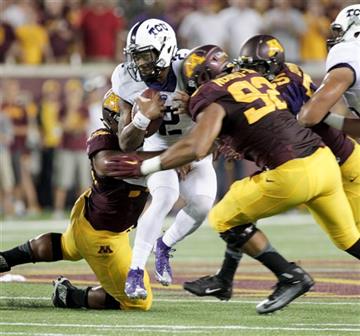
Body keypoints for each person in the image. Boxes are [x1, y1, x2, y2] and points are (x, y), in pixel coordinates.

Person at [113, 44, 360, 314]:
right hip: (324, 162)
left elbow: (196, 147)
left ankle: (289, 275)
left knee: (223, 218)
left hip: (292, 173)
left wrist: (146, 167)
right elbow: (257, 118)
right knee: (348, 239)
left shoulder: (209, 93)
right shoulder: (254, 78)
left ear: (202, 78)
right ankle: (224, 279)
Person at [182, 34, 360, 306]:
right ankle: (225, 279)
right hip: (319, 161)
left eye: (259, 68)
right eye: (248, 66)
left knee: (352, 237)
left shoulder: (280, 84)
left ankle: (249, 278)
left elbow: (275, 123)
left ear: (275, 65)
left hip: (339, 162)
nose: (252, 73)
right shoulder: (276, 78)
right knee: (240, 209)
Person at [0, 90, 156, 311]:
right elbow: (108, 164)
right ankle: (70, 297)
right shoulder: (104, 138)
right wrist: (169, 159)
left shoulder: (145, 141)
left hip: (92, 215)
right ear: (114, 118)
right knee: (138, 301)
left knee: (67, 246)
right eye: (133, 116)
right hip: (102, 233)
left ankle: (4, 258)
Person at [111, 19, 217, 300]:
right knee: (164, 197)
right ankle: (135, 272)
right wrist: (143, 117)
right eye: (135, 56)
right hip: (159, 145)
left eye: (144, 55)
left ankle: (165, 245)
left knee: (203, 204)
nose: (138, 63)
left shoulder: (191, 66)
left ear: (165, 50)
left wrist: (194, 106)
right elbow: (126, 142)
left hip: (196, 145)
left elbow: (221, 111)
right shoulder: (126, 78)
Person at [298, 4, 360, 138]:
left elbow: (308, 117)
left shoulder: (349, 52)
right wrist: (327, 117)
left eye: (338, 32)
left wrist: (299, 109)